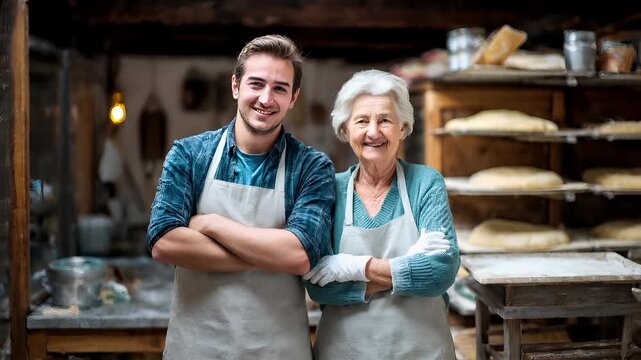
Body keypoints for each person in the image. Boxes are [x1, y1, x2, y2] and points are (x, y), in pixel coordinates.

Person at [147, 35, 335, 359]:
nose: (266, 98)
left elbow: (301, 255)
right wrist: (272, 255)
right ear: (235, 85)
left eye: (280, 88)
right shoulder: (190, 154)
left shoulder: (311, 167)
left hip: (278, 349)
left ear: (294, 98)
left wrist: (211, 224)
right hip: (197, 347)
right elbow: (164, 242)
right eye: (256, 84)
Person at [304, 69, 459, 359]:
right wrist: (409, 267)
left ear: (402, 128)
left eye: (385, 120)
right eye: (362, 121)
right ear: (345, 130)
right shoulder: (329, 189)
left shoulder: (426, 182)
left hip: (422, 351)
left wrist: (353, 267)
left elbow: (441, 272)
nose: (373, 132)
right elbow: (318, 287)